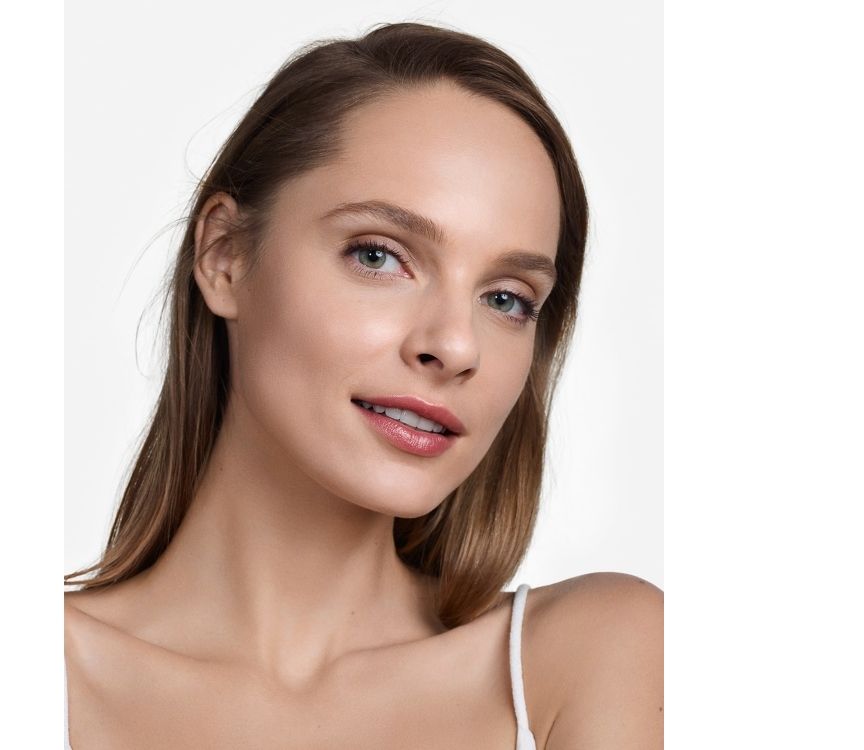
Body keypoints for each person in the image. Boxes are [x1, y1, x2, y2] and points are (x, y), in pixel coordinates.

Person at [64, 21, 663, 749]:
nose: (455, 346)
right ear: (224, 256)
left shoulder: (586, 660)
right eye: (378, 256)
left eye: (506, 298)